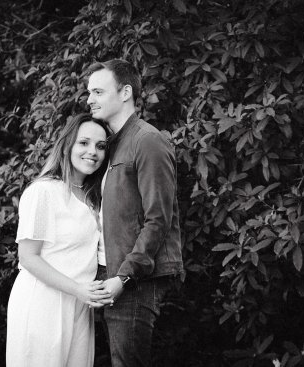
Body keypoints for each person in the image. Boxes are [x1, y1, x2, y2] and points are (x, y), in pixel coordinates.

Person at [86, 59, 185, 367]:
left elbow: (158, 218)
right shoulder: (111, 145)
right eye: (89, 92)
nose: (90, 99)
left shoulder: (148, 140)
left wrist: (124, 277)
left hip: (135, 279)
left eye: (98, 92)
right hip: (111, 274)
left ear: (125, 92)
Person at [6, 113, 113, 367]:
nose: (93, 152)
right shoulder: (44, 191)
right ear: (67, 145)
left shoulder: (93, 197)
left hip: (79, 305)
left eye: (100, 146)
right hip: (43, 304)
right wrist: (78, 289)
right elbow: (28, 258)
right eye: (84, 143)